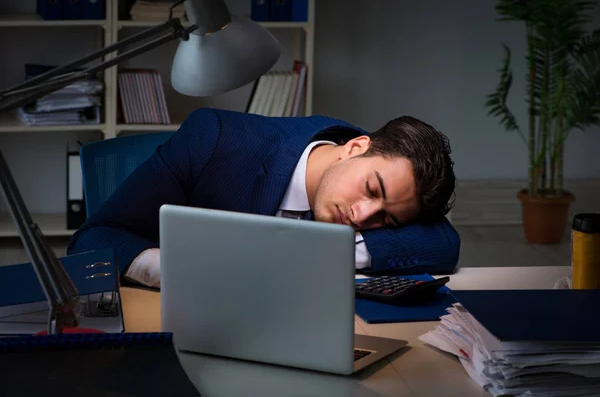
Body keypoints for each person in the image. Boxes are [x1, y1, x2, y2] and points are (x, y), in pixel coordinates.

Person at [67, 108, 460, 288]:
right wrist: (172, 267)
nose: (363, 215)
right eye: (372, 191)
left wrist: (316, 250)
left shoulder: (387, 169)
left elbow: (444, 244)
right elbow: (94, 237)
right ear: (355, 146)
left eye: (387, 219)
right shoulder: (213, 139)